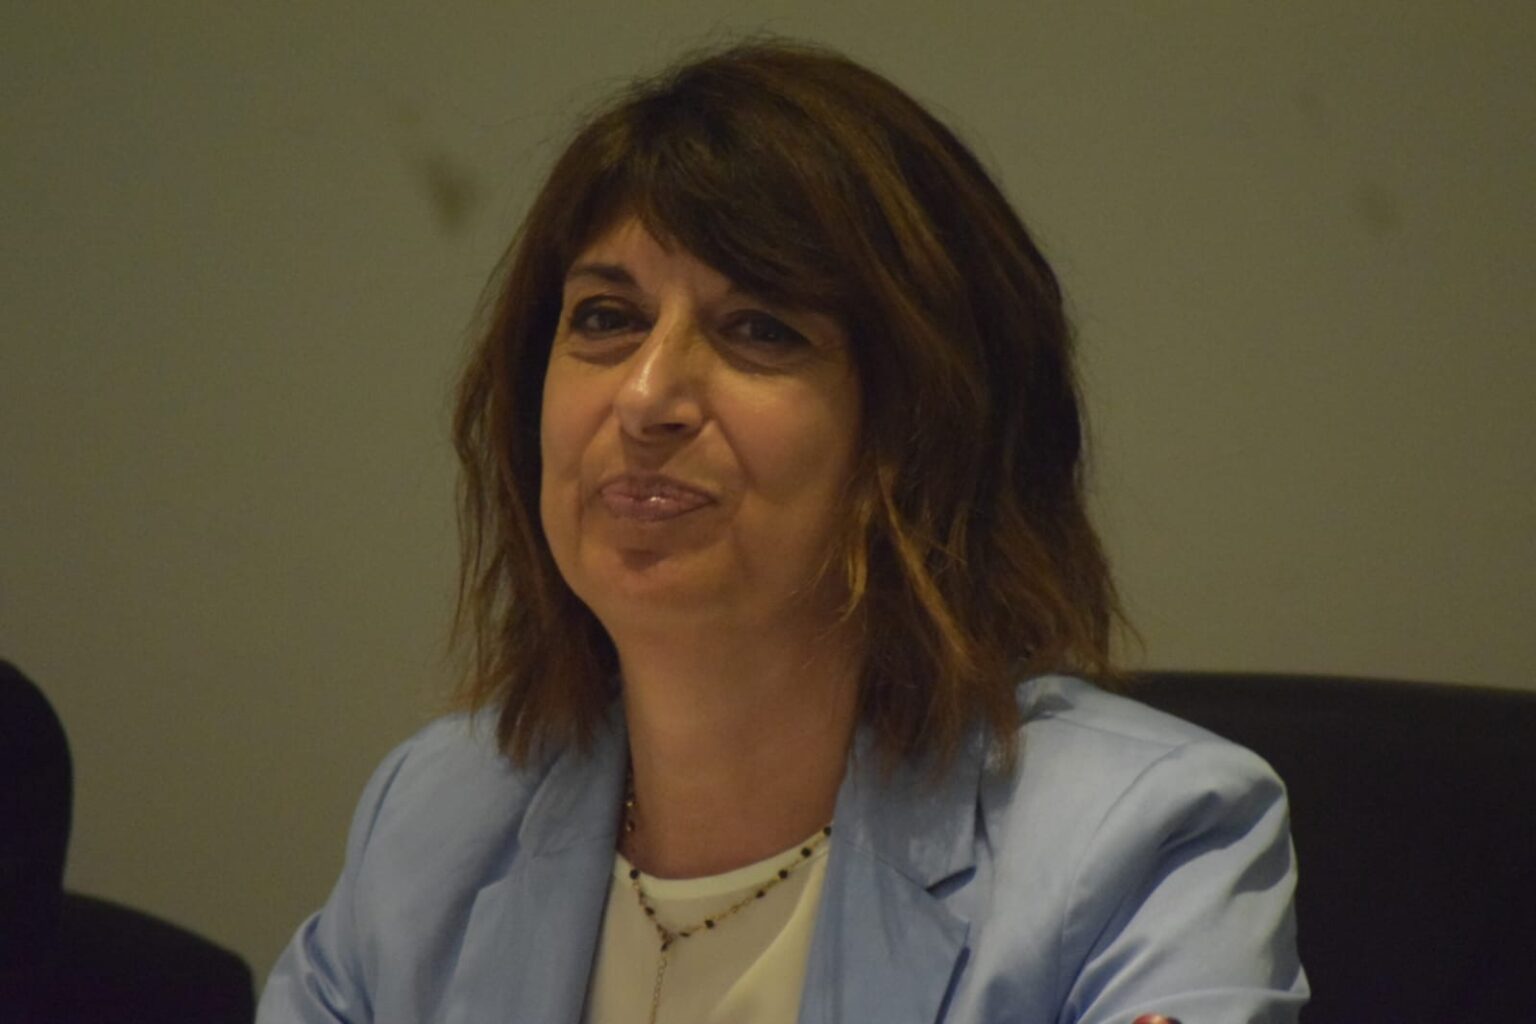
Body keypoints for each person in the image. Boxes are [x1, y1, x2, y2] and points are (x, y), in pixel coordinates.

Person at [257, 40, 1307, 1024]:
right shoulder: (432, 820)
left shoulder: (1137, 846)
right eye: (607, 319)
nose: (647, 396)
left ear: (923, 428)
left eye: (760, 329)